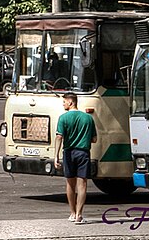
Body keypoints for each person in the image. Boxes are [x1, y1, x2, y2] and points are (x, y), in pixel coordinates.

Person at [54, 92, 97, 224]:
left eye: (64, 102)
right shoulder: (88, 118)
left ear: (71, 102)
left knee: (70, 183)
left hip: (68, 153)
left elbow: (59, 137)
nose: (63, 104)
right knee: (82, 184)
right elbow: (94, 139)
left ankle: (72, 213)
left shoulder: (63, 118)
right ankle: (79, 215)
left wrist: (55, 156)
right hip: (83, 152)